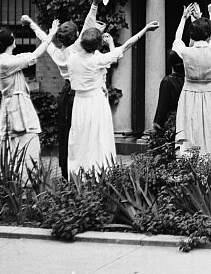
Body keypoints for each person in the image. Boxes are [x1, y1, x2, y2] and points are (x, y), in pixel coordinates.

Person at [66, 18, 160, 178]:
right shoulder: (98, 60)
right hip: (96, 102)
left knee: (81, 138)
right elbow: (126, 46)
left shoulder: (72, 57)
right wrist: (144, 29)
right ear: (97, 46)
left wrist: (95, 33)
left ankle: (79, 175)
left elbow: (85, 44)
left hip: (80, 103)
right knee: (99, 137)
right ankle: (100, 174)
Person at [0, 20, 58, 179]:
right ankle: (24, 181)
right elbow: (36, 54)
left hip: (17, 106)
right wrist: (51, 34)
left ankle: (22, 180)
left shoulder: (7, 59)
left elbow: (30, 55)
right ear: (11, 41)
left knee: (22, 144)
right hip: (16, 109)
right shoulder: (6, 62)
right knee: (25, 144)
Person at [23, 15, 80, 179]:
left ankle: (65, 173)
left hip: (65, 94)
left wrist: (32, 24)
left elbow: (43, 38)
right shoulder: (76, 49)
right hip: (77, 94)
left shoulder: (56, 52)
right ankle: (76, 172)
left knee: (64, 132)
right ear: (75, 37)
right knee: (77, 132)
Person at [172, 0, 211, 157]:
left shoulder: (187, 52)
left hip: (190, 94)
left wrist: (183, 18)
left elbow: (177, 39)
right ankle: (210, 160)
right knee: (209, 127)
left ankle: (188, 160)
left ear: (192, 35)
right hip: (208, 92)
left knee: (189, 127)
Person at [152, 50, 185, 136]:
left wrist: (157, 123)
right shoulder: (188, 81)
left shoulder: (167, 81)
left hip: (171, 123)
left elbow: (162, 106)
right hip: (186, 120)